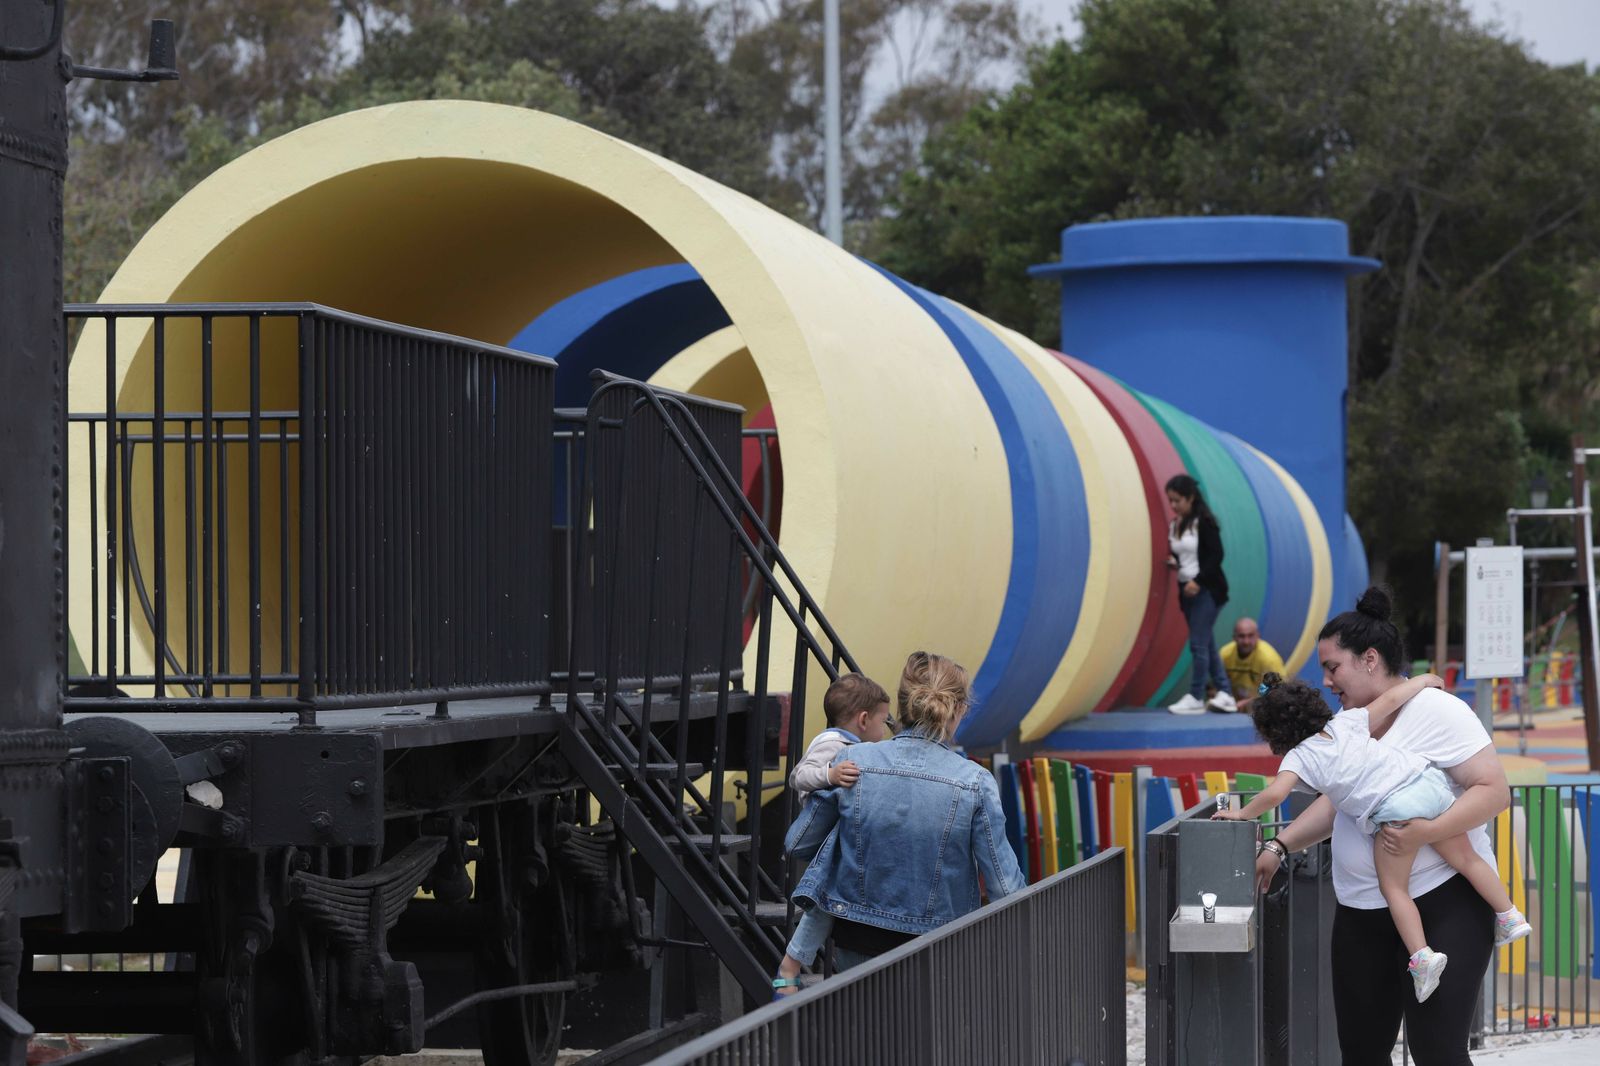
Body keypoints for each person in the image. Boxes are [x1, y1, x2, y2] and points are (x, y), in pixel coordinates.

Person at [1248, 587, 1512, 1065]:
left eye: (1333, 667)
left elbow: (1494, 793)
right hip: (1361, 912)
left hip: (1444, 902)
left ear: (1370, 659)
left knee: (1436, 1050)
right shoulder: (1347, 724)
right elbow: (1336, 804)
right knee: (1363, 1054)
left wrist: (1424, 833)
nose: (1327, 681)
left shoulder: (1439, 711)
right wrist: (1280, 845)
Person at [1218, 671, 1530, 1002]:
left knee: (1394, 889)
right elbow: (1393, 698)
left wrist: (1241, 813)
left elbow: (1274, 795)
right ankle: (1509, 915)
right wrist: (1424, 680)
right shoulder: (1347, 723)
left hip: (1395, 809)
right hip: (1427, 785)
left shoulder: (1299, 757)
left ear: (1274, 735)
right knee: (1467, 859)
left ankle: (1422, 957)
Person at [783, 651, 1025, 973]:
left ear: (901, 705)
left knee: (863, 1023)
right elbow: (1004, 888)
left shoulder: (852, 761)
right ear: (960, 710)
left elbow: (798, 844)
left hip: (857, 938)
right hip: (940, 944)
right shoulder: (974, 782)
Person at [771, 672, 892, 995]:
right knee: (824, 902)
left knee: (827, 902)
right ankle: (790, 965)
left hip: (835, 830)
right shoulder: (832, 745)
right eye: (884, 722)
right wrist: (831, 774)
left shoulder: (850, 744)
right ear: (864, 719)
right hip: (821, 829)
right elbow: (799, 776)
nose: (885, 731)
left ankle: (792, 966)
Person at [1164, 474, 1232, 714]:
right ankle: (1224, 692)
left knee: (1197, 645)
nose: (1173, 505)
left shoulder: (1203, 522)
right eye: (1170, 501)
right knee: (1207, 643)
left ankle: (1196, 695)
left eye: (1177, 500)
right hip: (1186, 591)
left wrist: (1199, 580)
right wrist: (1176, 562)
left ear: (1190, 498)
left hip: (1207, 590)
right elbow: (1186, 554)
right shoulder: (1176, 524)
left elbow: (1216, 555)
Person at [1218, 617, 1285, 712]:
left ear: (1258, 636)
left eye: (1250, 636)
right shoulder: (1224, 654)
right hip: (1232, 710)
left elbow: (1279, 691)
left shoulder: (1269, 658)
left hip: (1262, 711)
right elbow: (1215, 687)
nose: (1246, 641)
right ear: (1234, 637)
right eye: (1241, 636)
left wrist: (1251, 701)